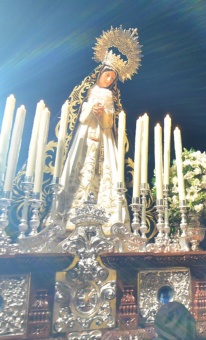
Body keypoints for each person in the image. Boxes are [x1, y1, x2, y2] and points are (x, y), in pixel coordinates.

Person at [58, 27, 141, 234]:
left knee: (105, 172)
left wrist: (103, 114)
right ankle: (70, 215)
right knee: (80, 169)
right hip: (85, 136)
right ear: (100, 73)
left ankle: (108, 219)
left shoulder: (110, 97)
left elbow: (109, 123)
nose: (109, 80)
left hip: (104, 139)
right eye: (107, 75)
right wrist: (90, 110)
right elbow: (78, 113)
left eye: (112, 77)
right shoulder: (89, 90)